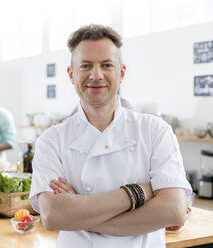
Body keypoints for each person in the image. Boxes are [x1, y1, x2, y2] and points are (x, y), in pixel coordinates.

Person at [29, 24, 191, 248]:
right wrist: (136, 194)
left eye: (106, 65)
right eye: (86, 65)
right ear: (71, 74)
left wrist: (78, 214)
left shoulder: (155, 130)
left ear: (121, 72)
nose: (96, 75)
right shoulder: (51, 140)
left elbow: (173, 211)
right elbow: (53, 216)